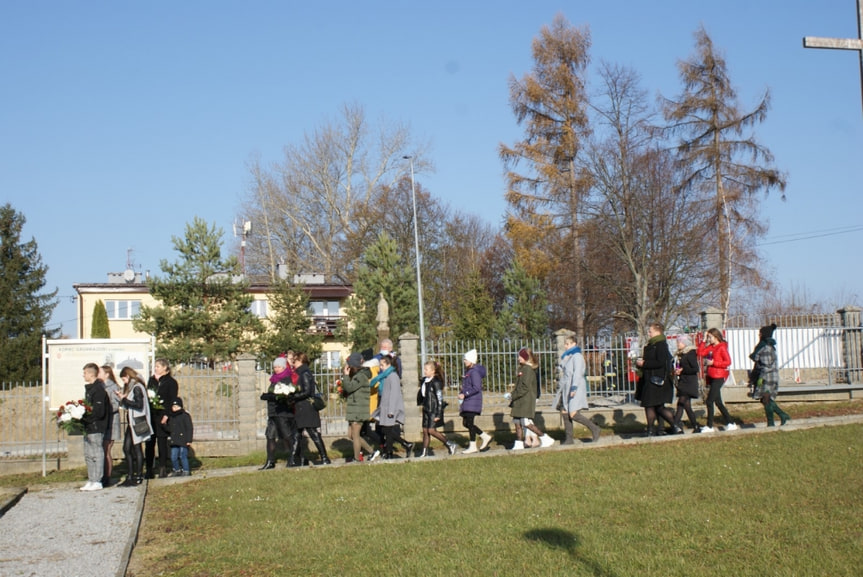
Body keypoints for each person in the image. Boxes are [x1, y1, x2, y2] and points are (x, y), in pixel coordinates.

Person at [636, 323, 682, 436]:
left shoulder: (660, 345)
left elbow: (660, 362)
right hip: (649, 379)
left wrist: (644, 363)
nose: (648, 333)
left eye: (650, 331)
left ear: (657, 332)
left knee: (652, 405)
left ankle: (657, 428)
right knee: (655, 406)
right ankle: (672, 426)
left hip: (656, 380)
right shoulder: (651, 345)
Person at [554, 335, 601, 444]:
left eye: (567, 344)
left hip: (575, 386)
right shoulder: (567, 357)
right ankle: (569, 439)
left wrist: (574, 387)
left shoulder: (577, 356)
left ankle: (595, 429)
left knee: (573, 413)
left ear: (574, 344)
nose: (565, 346)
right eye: (565, 344)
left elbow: (577, 373)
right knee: (565, 412)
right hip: (566, 387)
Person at [288, 353, 331, 466]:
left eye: (295, 361)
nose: (293, 363)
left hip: (306, 407)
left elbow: (307, 392)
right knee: (296, 434)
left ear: (301, 361)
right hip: (300, 407)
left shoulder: (304, 373)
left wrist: (293, 396)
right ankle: (293, 460)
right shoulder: (299, 373)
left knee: (313, 433)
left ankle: (325, 457)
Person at [509, 348, 555, 450]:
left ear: (525, 357)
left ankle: (544, 437)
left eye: (520, 356)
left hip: (525, 400)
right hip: (519, 400)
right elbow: (519, 385)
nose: (518, 358)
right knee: (517, 422)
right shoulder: (523, 368)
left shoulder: (528, 370)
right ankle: (519, 443)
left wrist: (513, 395)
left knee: (525, 422)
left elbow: (525, 387)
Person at [259, 353, 297, 469]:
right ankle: (270, 461)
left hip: (283, 412)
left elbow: (287, 395)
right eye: (275, 367)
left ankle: (293, 458)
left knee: (287, 436)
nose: (276, 369)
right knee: (270, 436)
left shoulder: (287, 378)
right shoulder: (274, 379)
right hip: (273, 412)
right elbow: (272, 393)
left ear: (284, 367)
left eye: (279, 367)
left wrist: (275, 397)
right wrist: (267, 396)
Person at [697, 328, 738, 433]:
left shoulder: (721, 348)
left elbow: (728, 362)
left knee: (709, 401)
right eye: (708, 337)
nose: (709, 339)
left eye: (710, 337)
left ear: (716, 337)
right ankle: (731, 423)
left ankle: (709, 426)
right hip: (711, 376)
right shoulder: (711, 347)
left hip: (719, 376)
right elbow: (700, 353)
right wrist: (703, 340)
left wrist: (714, 363)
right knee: (718, 402)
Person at [371, 354, 412, 459]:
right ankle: (399, 447)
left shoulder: (393, 376)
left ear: (388, 364)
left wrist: (391, 410)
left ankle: (396, 449)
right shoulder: (387, 376)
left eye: (382, 365)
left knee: (387, 431)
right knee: (386, 431)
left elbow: (394, 395)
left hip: (390, 408)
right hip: (385, 407)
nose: (380, 367)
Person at [749, 323, 791, 427]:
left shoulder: (766, 348)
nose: (759, 336)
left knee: (766, 399)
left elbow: (766, 365)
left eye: (760, 334)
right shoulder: (765, 347)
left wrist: (759, 378)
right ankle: (782, 415)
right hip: (767, 376)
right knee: (765, 400)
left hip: (767, 377)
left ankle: (772, 423)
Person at [117, 367, 152, 486]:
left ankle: (138, 475)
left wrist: (125, 400)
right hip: (131, 422)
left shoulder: (137, 387)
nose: (124, 382)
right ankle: (131, 474)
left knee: (137, 448)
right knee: (127, 448)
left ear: (128, 376)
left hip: (138, 421)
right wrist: (123, 400)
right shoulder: (132, 387)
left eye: (124, 379)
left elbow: (138, 404)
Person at [145, 358, 179, 478]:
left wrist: (167, 414)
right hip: (151, 414)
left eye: (158, 366)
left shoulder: (171, 382)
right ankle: (149, 468)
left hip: (162, 415)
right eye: (155, 366)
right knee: (149, 442)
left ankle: (162, 468)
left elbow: (171, 400)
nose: (155, 368)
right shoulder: (152, 380)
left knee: (162, 442)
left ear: (165, 368)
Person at [417, 360, 458, 457]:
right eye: (424, 369)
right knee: (425, 431)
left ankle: (450, 444)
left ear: (433, 371)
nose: (425, 371)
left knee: (431, 430)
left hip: (433, 410)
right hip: (426, 409)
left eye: (427, 369)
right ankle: (424, 452)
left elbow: (439, 399)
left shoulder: (435, 382)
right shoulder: (425, 381)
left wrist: (438, 414)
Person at [342, 352, 377, 463]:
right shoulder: (358, 375)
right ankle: (372, 452)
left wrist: (346, 376)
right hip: (355, 408)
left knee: (355, 435)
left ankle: (357, 459)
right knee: (351, 434)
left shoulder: (361, 376)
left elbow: (349, 388)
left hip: (358, 409)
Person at [80, 363, 109, 491]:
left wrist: (88, 416)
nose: (83, 375)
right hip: (88, 426)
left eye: (85, 373)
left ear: (92, 374)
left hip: (96, 426)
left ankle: (97, 480)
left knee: (96, 453)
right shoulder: (90, 389)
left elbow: (99, 411)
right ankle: (91, 479)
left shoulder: (98, 390)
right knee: (88, 453)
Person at [459, 349, 492, 454]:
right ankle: (484, 436)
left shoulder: (474, 372)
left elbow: (477, 387)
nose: (464, 361)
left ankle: (473, 445)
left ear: (471, 360)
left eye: (466, 359)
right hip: (468, 401)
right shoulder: (468, 372)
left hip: (473, 401)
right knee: (466, 423)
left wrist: (465, 393)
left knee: (469, 422)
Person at [672, 335, 702, 433]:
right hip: (683, 381)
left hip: (689, 382)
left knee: (681, 402)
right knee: (686, 406)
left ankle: (675, 425)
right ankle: (695, 426)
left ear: (685, 343)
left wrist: (683, 370)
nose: (677, 344)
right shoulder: (681, 354)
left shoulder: (690, 353)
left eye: (679, 342)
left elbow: (695, 369)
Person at [99, 364, 121, 486]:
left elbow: (116, 404)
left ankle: (107, 476)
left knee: (106, 449)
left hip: (111, 422)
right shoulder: (100, 386)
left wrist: (104, 408)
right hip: (103, 421)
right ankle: (102, 474)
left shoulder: (113, 387)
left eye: (100, 372)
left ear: (107, 374)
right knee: (102, 449)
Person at [168, 397, 194, 476]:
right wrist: (164, 424)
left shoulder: (185, 415)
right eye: (173, 407)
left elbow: (189, 428)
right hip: (174, 440)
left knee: (183, 455)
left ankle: (186, 470)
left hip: (183, 440)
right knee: (173, 457)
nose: (174, 408)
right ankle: (177, 470)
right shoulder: (171, 416)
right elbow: (170, 428)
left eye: (176, 406)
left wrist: (189, 440)